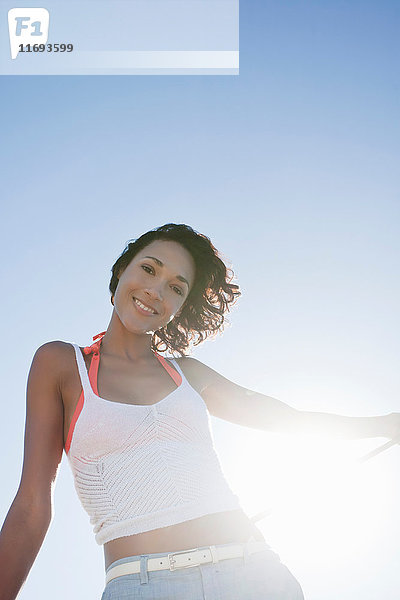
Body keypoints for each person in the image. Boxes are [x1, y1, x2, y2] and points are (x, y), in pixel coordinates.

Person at [1, 222, 399, 600]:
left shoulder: (186, 373)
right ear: (122, 269)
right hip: (141, 584)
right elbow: (33, 505)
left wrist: (385, 424)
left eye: (175, 287)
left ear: (181, 304)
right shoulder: (60, 364)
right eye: (148, 268)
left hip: (254, 574)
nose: (156, 291)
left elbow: (283, 416)